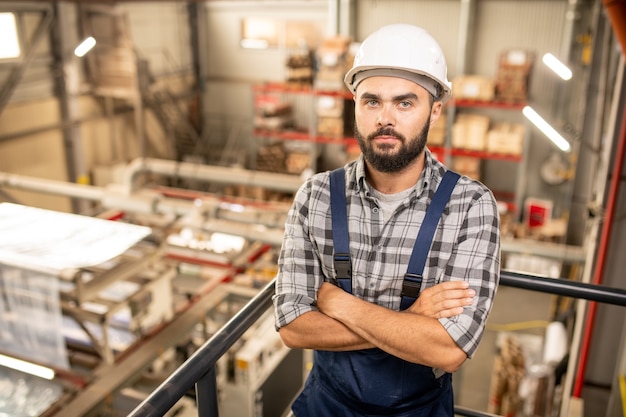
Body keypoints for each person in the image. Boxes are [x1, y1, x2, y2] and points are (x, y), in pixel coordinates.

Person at [273, 23, 500, 417]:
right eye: (372, 101)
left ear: (435, 109)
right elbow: (294, 327)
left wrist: (337, 304)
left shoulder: (470, 206)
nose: (385, 118)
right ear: (356, 105)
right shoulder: (316, 196)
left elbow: (448, 349)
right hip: (326, 406)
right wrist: (410, 323)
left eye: (405, 103)